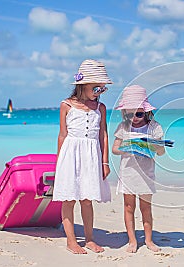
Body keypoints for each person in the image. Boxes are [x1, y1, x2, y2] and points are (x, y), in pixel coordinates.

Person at [53, 59, 112, 254]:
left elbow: (103, 134)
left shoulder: (100, 108)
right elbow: (62, 135)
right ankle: (71, 241)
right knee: (68, 199)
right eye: (97, 88)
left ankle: (89, 239)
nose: (100, 92)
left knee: (87, 199)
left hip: (91, 156)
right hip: (71, 155)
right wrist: (59, 162)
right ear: (82, 85)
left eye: (103, 89)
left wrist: (105, 161)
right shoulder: (66, 105)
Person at [112, 85, 165, 253]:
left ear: (146, 111)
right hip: (128, 172)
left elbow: (162, 152)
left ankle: (149, 240)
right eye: (130, 114)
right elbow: (114, 149)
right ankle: (132, 240)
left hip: (146, 173)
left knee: (146, 207)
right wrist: (128, 148)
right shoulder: (123, 127)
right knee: (129, 207)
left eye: (139, 113)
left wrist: (155, 145)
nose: (135, 117)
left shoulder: (154, 127)